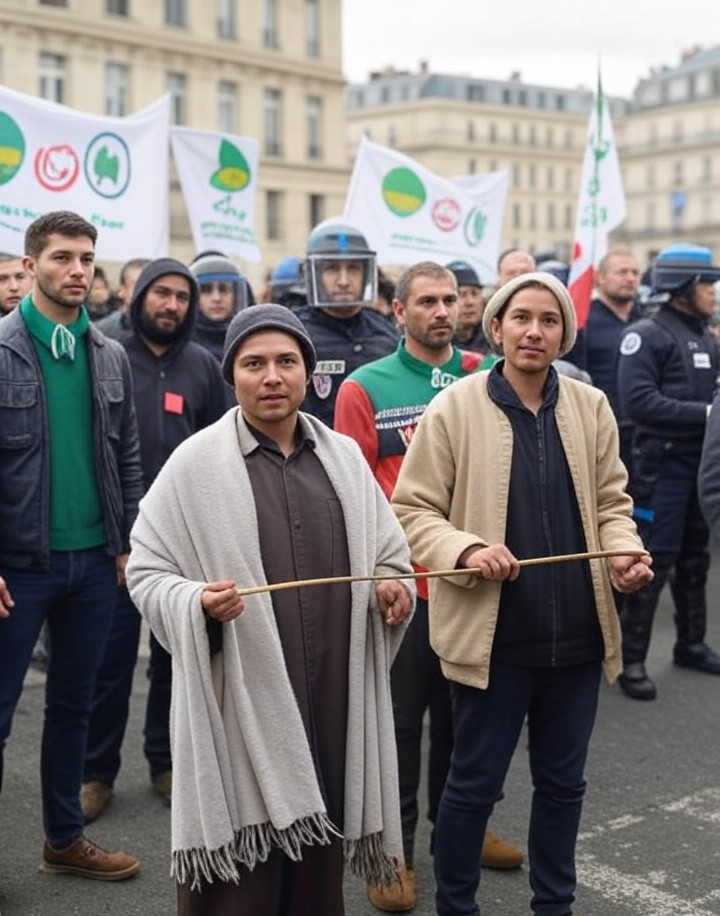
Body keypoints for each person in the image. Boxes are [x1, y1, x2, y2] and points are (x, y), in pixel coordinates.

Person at [125, 303, 414, 916]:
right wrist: (194, 601)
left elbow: (391, 557)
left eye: (287, 361)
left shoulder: (344, 459)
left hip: (334, 695)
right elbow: (148, 573)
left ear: (308, 372)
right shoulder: (194, 465)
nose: (272, 376)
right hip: (243, 701)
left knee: (318, 854)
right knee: (242, 882)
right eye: (254, 363)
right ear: (232, 375)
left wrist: (392, 588)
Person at [392, 271, 653, 916]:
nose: (535, 331)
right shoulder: (455, 406)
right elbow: (412, 510)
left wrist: (622, 550)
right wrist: (467, 550)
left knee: (564, 785)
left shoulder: (591, 405)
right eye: (522, 318)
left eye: (550, 320)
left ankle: (553, 905)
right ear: (498, 328)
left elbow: (612, 502)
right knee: (473, 786)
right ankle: (458, 906)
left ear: (564, 333)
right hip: (494, 639)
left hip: (579, 638)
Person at [334, 261, 523, 913]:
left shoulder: (485, 374)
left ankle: (460, 834)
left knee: (466, 726)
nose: (443, 310)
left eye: (452, 299)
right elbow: (354, 496)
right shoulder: (365, 387)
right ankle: (393, 855)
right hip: (406, 590)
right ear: (397, 311)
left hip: (474, 584)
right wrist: (380, 577)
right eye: (428, 301)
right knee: (402, 731)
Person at [0, 210, 143, 880]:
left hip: (94, 564)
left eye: (87, 258)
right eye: (62, 258)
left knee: (73, 709)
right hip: (17, 568)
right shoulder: (1, 350)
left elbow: (128, 455)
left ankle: (64, 839)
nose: (78, 270)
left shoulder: (107, 353)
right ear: (31, 267)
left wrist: (126, 544)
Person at [81, 258, 228, 822]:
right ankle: (96, 774)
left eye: (181, 297)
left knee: (176, 660)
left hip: (184, 543)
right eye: (161, 293)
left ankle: (166, 764)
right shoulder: (106, 354)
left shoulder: (203, 366)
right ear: (138, 295)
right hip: (115, 540)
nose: (172, 305)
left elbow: (220, 449)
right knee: (109, 662)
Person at [616, 244, 720, 700]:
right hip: (661, 469)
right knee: (653, 561)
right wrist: (711, 413)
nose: (713, 293)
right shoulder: (646, 334)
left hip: (699, 465)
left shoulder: (706, 336)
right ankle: (631, 659)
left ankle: (690, 643)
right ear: (681, 288)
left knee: (697, 559)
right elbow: (639, 403)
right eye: (706, 284)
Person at [295, 218, 400, 427]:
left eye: (353, 268)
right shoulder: (294, 333)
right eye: (332, 269)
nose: (343, 280)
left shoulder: (388, 333)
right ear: (313, 272)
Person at [565, 248, 643, 467]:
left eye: (635, 273)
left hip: (641, 435)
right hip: (600, 430)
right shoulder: (582, 321)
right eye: (622, 272)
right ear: (599, 277)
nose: (630, 278)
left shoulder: (647, 319)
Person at [189, 251, 249, 363]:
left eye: (224, 289)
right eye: (206, 290)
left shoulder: (251, 340)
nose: (216, 298)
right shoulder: (181, 346)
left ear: (235, 294)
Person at [95, 257, 151, 340]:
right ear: (122, 290)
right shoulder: (101, 333)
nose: (145, 292)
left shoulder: (169, 331)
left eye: (151, 287)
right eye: (138, 285)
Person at [447, 260, 489, 354]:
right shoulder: (434, 343)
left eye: (475, 294)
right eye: (461, 294)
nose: (470, 302)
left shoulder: (494, 340)